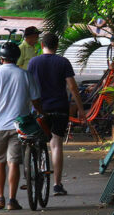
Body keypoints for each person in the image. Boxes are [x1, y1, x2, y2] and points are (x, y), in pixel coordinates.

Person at [0, 41, 43, 210]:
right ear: (17, 57)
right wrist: (42, 113)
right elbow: (35, 100)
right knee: (13, 163)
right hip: (18, 126)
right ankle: (12, 200)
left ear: (1, 58)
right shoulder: (25, 75)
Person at [27, 32, 86, 195]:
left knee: (38, 140)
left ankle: (37, 170)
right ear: (57, 46)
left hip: (39, 109)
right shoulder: (63, 62)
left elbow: (28, 85)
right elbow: (73, 87)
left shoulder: (33, 62)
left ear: (41, 45)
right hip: (59, 108)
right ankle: (57, 185)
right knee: (56, 144)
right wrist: (81, 109)